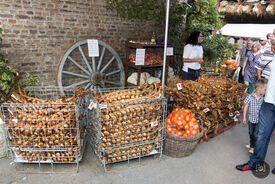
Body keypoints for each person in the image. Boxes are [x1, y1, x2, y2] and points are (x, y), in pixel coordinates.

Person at [236, 41, 275, 174]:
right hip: (268, 101)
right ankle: (255, 162)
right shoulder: (269, 54)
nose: (273, 42)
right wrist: (260, 87)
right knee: (262, 134)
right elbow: (259, 68)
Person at [242, 79, 267, 154]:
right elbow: (245, 106)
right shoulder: (250, 97)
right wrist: (244, 117)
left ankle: (253, 147)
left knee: (255, 134)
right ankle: (251, 144)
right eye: (265, 89)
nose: (265, 91)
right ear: (259, 88)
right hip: (251, 119)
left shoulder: (263, 98)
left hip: (258, 120)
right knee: (251, 133)